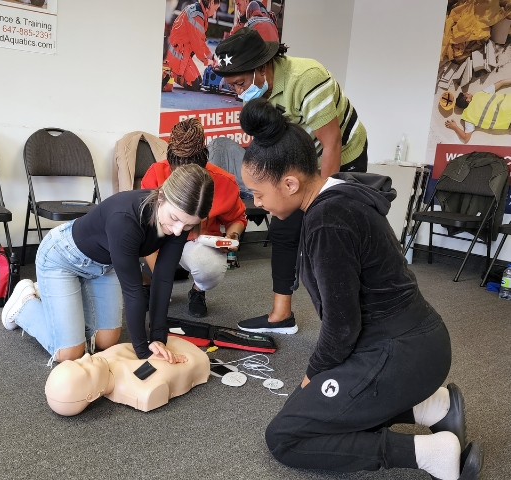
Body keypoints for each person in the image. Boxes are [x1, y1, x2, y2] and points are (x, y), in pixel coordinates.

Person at [239, 99, 483, 480]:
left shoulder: (328, 221)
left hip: (400, 353)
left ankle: (433, 453)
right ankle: (433, 408)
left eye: (258, 193)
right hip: (415, 344)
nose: (257, 203)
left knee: (286, 435)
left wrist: (311, 378)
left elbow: (341, 327)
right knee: (319, 411)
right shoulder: (338, 194)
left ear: (290, 183)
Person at [213, 28, 368, 333]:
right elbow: (268, 148)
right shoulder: (254, 95)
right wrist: (269, 195)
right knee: (284, 229)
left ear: (261, 68)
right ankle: (281, 316)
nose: (237, 92)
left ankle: (349, 322)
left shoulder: (307, 78)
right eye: (231, 86)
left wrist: (323, 205)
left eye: (240, 83)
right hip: (299, 158)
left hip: (342, 153)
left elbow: (331, 142)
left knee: (332, 234)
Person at [2, 164, 214, 364]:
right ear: (161, 196)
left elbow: (163, 277)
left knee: (106, 340)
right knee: (70, 353)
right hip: (62, 258)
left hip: (105, 265)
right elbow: (133, 292)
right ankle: (25, 304)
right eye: (174, 218)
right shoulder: (126, 219)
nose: (178, 230)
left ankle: (59, 300)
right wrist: (143, 353)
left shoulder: (182, 218)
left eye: (188, 224)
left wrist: (158, 338)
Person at [141, 118, 247, 318]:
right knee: (130, 245)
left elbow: (237, 218)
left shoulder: (224, 182)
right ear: (170, 160)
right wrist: (160, 282)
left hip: (196, 242)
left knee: (210, 268)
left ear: (204, 162)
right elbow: (145, 228)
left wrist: (233, 236)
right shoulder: (155, 174)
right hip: (159, 241)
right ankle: (148, 283)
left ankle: (198, 291)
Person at [45, 336, 210, 416]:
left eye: (78, 361)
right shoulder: (139, 386)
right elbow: (174, 367)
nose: (87, 357)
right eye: (85, 368)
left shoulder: (101, 360)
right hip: (192, 354)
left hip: (167, 341)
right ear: (92, 395)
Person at [164, 0, 221, 91]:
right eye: (215, 9)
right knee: (195, 84)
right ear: (211, 3)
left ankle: (171, 68)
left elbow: (201, 41)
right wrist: (207, 61)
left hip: (181, 52)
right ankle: (170, 71)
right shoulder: (197, 16)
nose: (215, 12)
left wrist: (212, 56)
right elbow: (197, 45)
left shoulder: (198, 11)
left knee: (199, 82)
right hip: (177, 54)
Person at [445, 78, 511, 143]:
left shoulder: (468, 117)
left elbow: (466, 138)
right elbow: (501, 82)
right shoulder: (479, 95)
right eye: (467, 94)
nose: (469, 93)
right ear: (467, 100)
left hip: (508, 121)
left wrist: (454, 127)